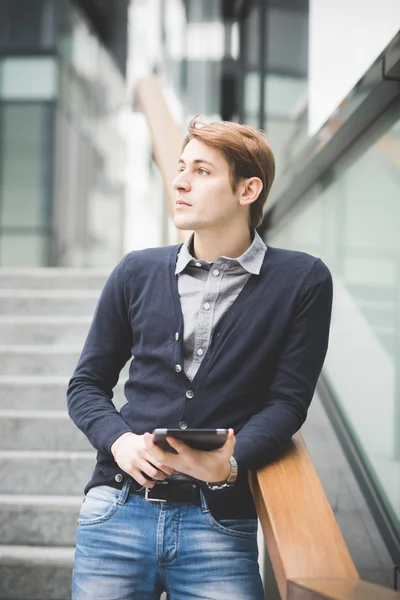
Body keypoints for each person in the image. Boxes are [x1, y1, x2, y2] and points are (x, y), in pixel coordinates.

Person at [67, 117, 333, 600]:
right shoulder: (136, 271)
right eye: (180, 167)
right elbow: (86, 385)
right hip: (117, 511)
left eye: (203, 171)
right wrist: (121, 443)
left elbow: (288, 403)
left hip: (219, 522)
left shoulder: (303, 281)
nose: (181, 181)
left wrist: (231, 466)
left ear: (247, 189)